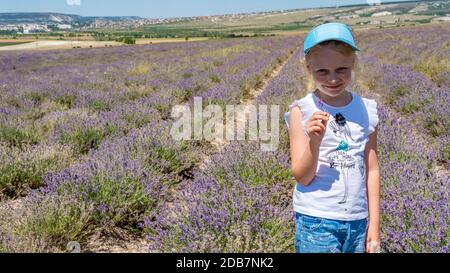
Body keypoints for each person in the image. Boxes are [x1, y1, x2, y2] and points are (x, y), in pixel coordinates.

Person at [284, 22, 381, 253]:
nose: (333, 79)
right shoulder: (302, 110)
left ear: (353, 65)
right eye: (322, 72)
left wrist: (374, 225)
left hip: (358, 221)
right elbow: (302, 176)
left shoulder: (366, 110)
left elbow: (372, 169)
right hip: (317, 221)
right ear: (309, 69)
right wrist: (314, 141)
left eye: (341, 69)